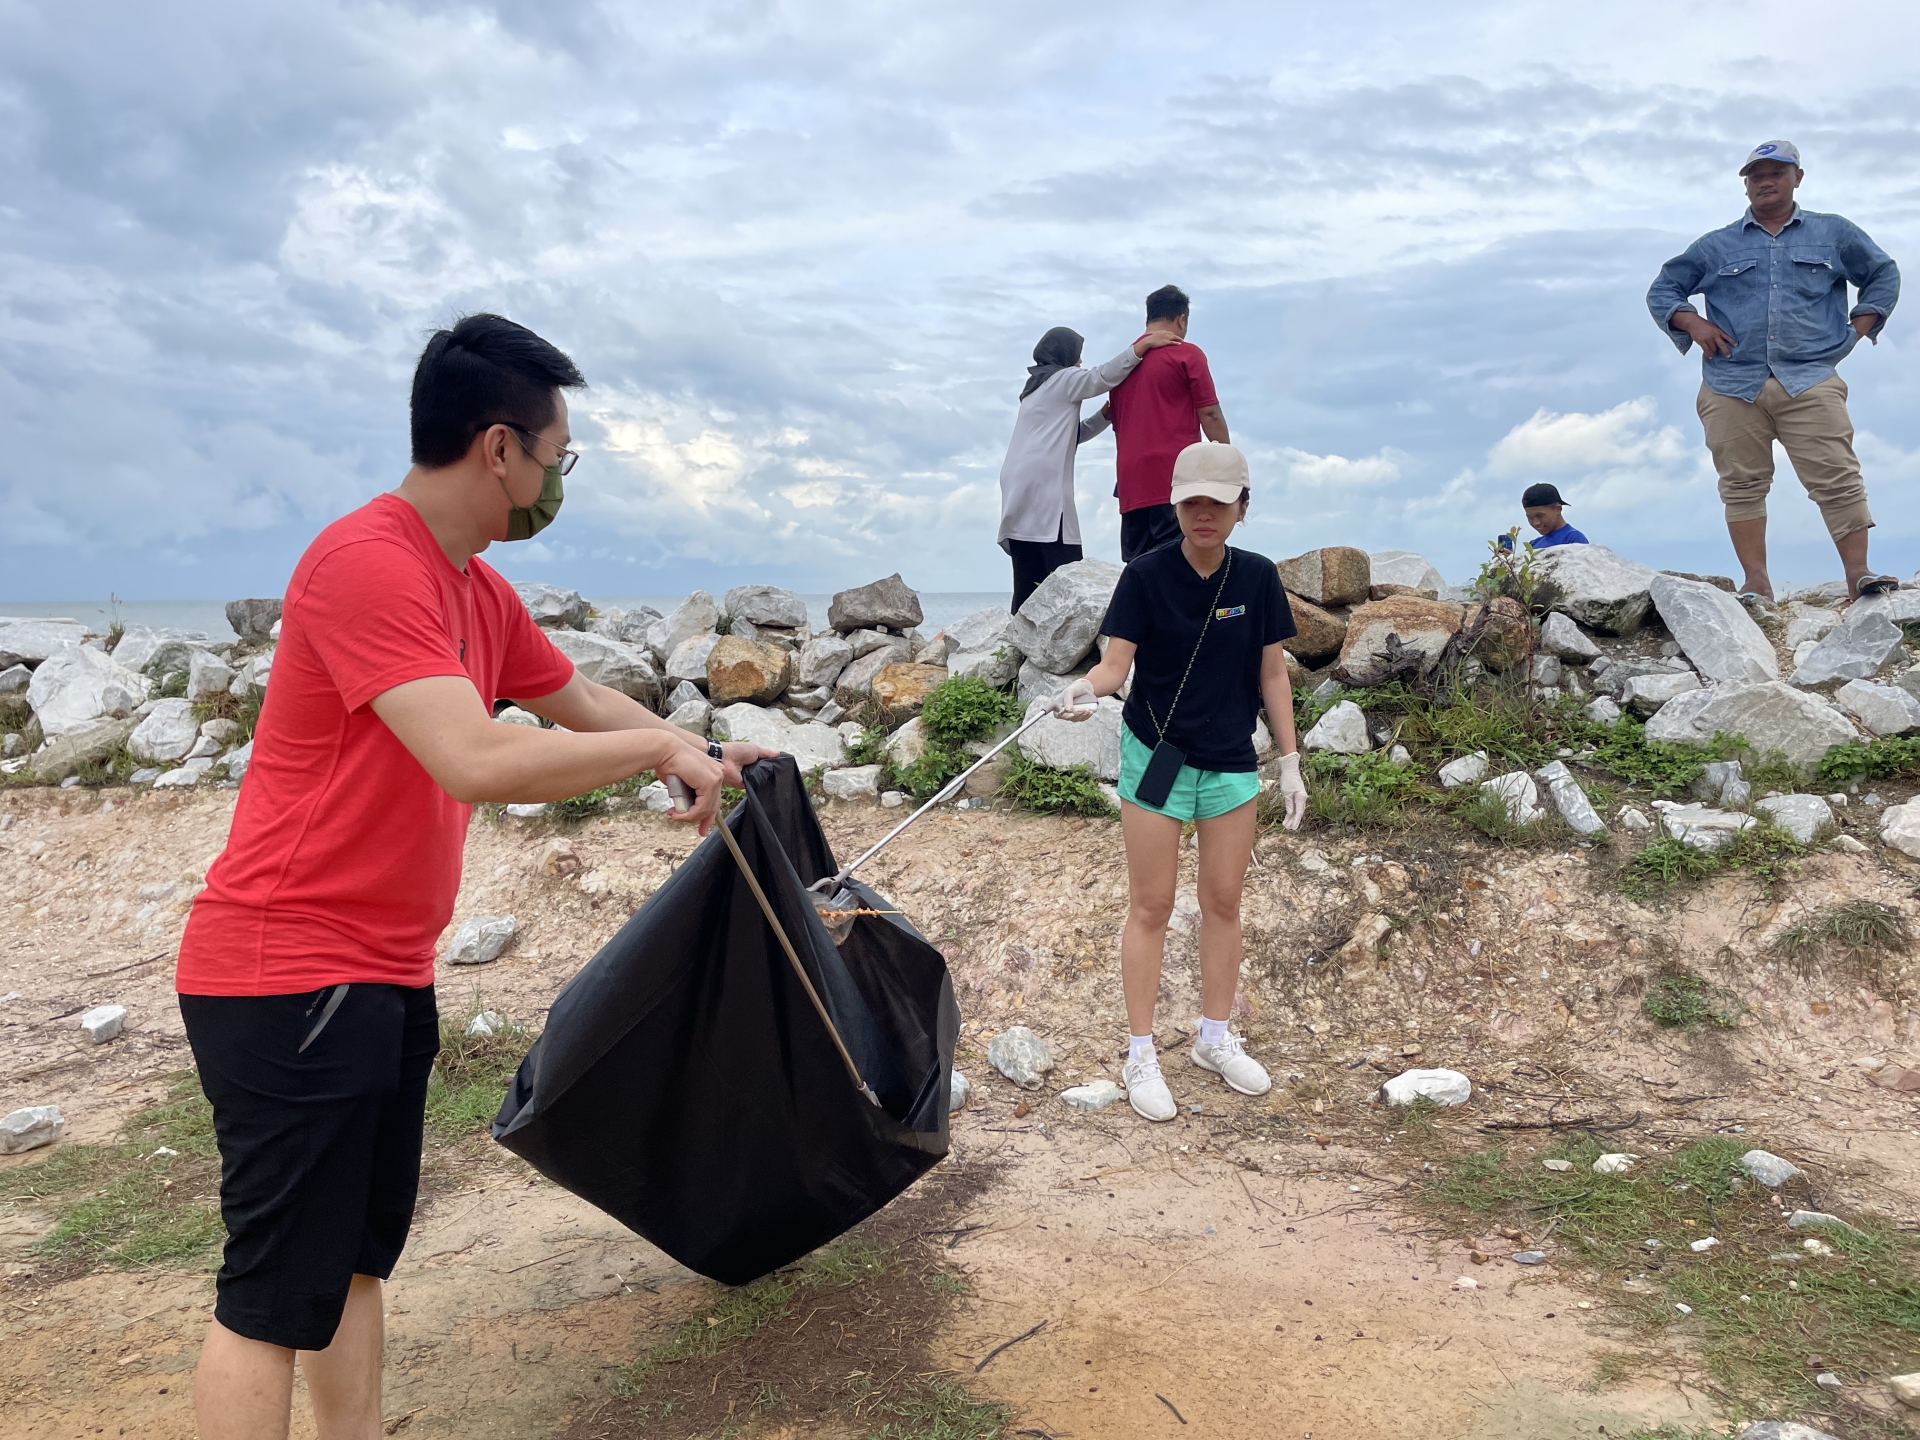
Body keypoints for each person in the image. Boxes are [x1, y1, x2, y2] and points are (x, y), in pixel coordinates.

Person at [175, 313, 776, 1440]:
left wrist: (697, 745)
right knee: (271, 1294)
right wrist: (652, 755)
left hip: (381, 973)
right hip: (283, 972)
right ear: (499, 448)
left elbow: (583, 705)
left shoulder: (474, 590)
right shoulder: (368, 563)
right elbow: (477, 757)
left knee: (352, 1263)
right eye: (559, 456)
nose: (558, 481)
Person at [1052, 442, 1308, 1123]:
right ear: (1174, 503)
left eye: (1218, 503)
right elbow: (1114, 669)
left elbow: (1273, 674)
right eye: (1192, 500)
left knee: (1224, 903)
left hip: (1229, 761)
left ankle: (1214, 1039)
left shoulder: (1255, 579)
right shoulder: (1145, 575)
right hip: (1156, 754)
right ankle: (1141, 1052)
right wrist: (1081, 689)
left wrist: (1290, 760)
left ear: (1241, 509)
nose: (1204, 513)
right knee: (1152, 907)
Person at [1647, 140, 1901, 601]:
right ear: (1745, 183)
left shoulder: (1834, 234)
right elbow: (1664, 290)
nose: (1765, 181)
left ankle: (1858, 574)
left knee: (1837, 476)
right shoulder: (1715, 246)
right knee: (1741, 483)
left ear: (1797, 178)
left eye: (1777, 172)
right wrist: (1692, 321)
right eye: (1755, 174)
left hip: (1810, 378)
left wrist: (1858, 329)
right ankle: (1757, 584)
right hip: (1729, 384)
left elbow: (1883, 274)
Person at [997, 326, 1184, 611]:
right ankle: (1075, 624)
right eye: (1077, 356)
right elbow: (1102, 376)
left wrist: (1104, 416)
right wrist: (1143, 346)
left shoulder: (1035, 389)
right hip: (1041, 481)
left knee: (1028, 566)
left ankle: (1016, 639)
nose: (1080, 363)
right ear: (1065, 355)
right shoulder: (1063, 378)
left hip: (1017, 480)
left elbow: (1075, 435)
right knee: (1067, 566)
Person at [1107, 285, 1229, 562]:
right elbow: (1209, 414)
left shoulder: (1123, 364)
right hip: (1173, 476)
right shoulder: (1186, 354)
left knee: (1138, 567)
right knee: (1176, 564)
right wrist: (1226, 461)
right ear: (1182, 319)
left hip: (1130, 480)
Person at [1497, 483, 1588, 552]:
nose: (1536, 522)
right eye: (1530, 517)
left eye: (1540, 516)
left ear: (1558, 509)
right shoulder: (1533, 545)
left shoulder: (1574, 538)